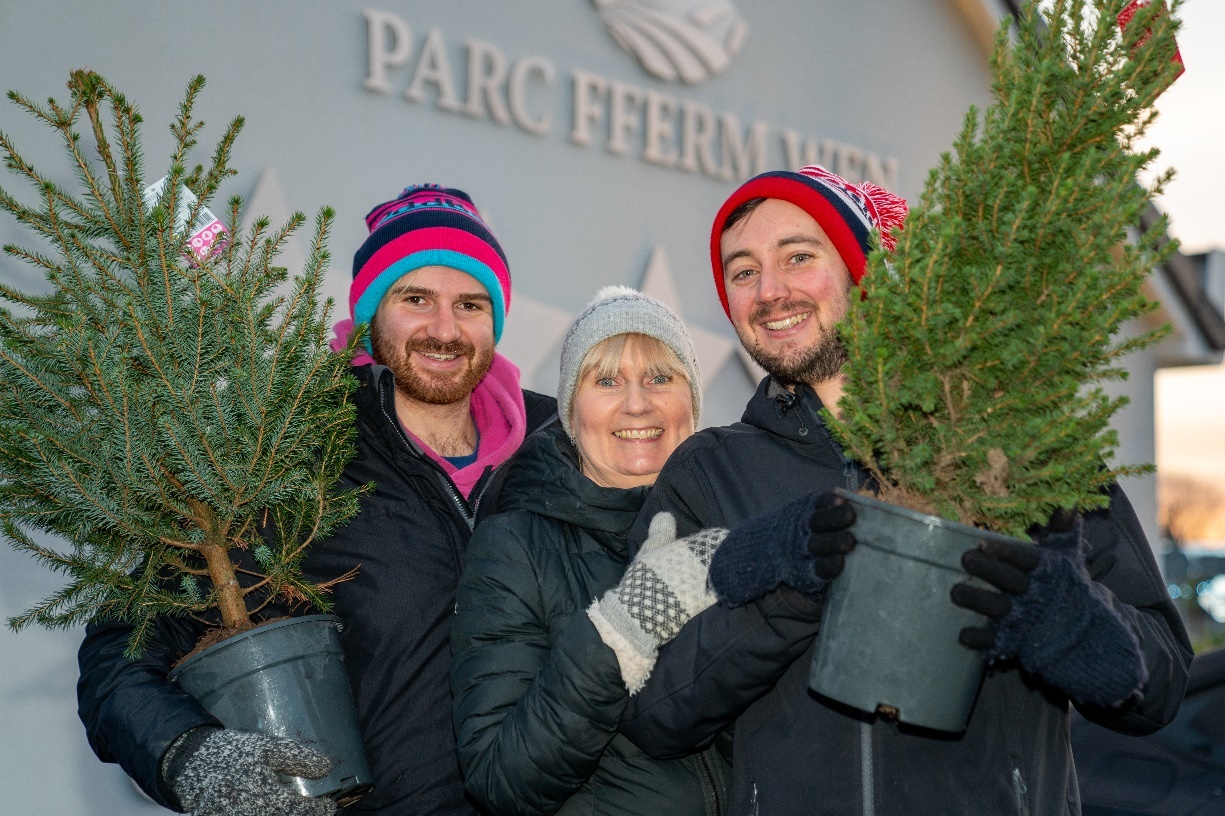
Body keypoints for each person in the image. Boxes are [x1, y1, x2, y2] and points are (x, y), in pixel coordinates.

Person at [613, 166, 1194, 815]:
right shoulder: (708, 472)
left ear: (864, 271)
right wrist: (778, 590)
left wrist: (1067, 623)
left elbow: (1160, 688)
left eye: (798, 257)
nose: (768, 291)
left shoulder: (1019, 443)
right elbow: (650, 714)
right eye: (742, 271)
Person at [76, 184, 558, 816]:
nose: (445, 329)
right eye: (415, 299)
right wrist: (190, 755)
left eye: (470, 303)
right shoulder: (294, 455)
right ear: (367, 314)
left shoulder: (560, 449)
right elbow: (124, 645)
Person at [450, 286, 732, 816]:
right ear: (571, 413)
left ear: (691, 404)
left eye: (659, 378)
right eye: (606, 381)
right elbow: (499, 777)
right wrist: (621, 632)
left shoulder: (733, 524)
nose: (637, 403)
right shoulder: (517, 548)